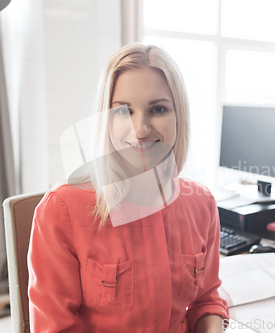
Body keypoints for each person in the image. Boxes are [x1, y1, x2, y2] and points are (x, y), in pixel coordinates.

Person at [27, 44, 229, 332]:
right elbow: (55, 326)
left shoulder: (202, 203)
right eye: (123, 111)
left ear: (179, 116)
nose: (141, 128)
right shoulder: (61, 210)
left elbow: (206, 301)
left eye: (158, 109)